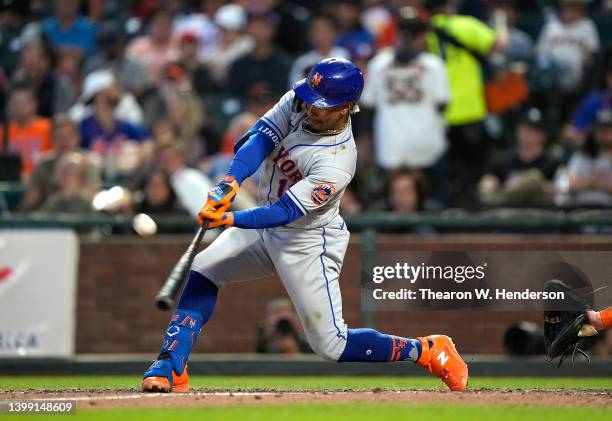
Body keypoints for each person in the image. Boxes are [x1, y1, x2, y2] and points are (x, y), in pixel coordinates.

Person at [141, 58, 468, 393]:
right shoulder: (300, 100)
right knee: (205, 267)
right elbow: (259, 139)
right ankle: (170, 363)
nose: (312, 109)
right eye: (311, 99)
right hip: (265, 225)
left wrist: (229, 218)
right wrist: (230, 182)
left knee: (332, 346)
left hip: (306, 240)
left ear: (346, 108)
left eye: (323, 106)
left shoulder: (338, 161)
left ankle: (426, 350)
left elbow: (285, 212)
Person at [360, 13, 450, 206]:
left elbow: (368, 107)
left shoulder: (379, 63)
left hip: (390, 146)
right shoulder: (433, 64)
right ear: (422, 37)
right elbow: (442, 104)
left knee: (392, 205)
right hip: (427, 146)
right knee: (432, 204)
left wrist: (365, 142)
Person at [424, 0, 506, 208]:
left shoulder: (424, 32)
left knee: (449, 175)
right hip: (468, 110)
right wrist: (501, 20)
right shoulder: (465, 25)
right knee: (473, 175)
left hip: (437, 115)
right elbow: (500, 45)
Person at [478, 109, 560, 207]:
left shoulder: (552, 163)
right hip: (508, 214)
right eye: (524, 129)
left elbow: (561, 188)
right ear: (517, 130)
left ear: (542, 135)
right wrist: (489, 185)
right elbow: (488, 182)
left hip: (540, 213)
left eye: (533, 130)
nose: (527, 134)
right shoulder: (504, 161)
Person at [19, 114, 98, 211]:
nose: (65, 141)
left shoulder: (89, 163)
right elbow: (31, 200)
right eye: (59, 137)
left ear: (78, 137)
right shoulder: (43, 164)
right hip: (50, 217)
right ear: (52, 139)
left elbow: (92, 197)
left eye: (69, 136)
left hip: (82, 215)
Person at [0, 85, 52, 179]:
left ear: (35, 104)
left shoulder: (48, 128)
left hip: (42, 180)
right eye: (15, 103)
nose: (19, 107)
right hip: (11, 182)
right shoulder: (3, 131)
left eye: (23, 103)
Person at [564, 109, 612, 207]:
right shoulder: (581, 157)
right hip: (581, 210)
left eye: (608, 130)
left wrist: (592, 184)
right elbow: (572, 184)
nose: (604, 134)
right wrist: (593, 184)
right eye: (601, 129)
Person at [288, 14, 350, 87]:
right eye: (316, 30)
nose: (320, 35)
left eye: (324, 30)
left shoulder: (347, 56)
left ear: (335, 32)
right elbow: (294, 92)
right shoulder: (303, 63)